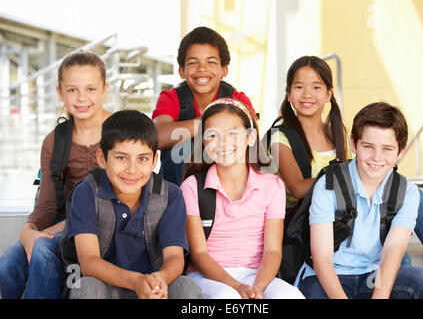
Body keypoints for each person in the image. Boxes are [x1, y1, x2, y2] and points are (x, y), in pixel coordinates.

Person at [269, 55, 423, 285]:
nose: (307, 94)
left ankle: (397, 270)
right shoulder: (280, 136)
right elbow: (298, 186)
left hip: (345, 209)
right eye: (299, 87)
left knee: (404, 198)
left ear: (329, 94)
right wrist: (337, 178)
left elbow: (358, 176)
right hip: (307, 217)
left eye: (316, 87)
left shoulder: (336, 131)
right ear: (288, 94)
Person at [299, 102, 423, 299]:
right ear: (354, 143)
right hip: (332, 276)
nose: (377, 157)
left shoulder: (408, 193)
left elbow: (393, 252)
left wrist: (380, 295)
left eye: (387, 149)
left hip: (376, 275)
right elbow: (322, 259)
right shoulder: (329, 185)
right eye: (368, 146)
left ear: (400, 151)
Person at [0, 50, 111, 299]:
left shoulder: (120, 132)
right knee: (8, 264)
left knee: (41, 249)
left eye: (91, 89)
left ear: (105, 89)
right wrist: (28, 229)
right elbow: (47, 205)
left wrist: (46, 234)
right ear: (60, 92)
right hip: (61, 227)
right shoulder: (55, 140)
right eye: (72, 90)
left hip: (103, 226)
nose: (82, 98)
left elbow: (115, 201)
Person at [65, 109, 202, 299]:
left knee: (186, 287)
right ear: (102, 158)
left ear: (155, 161)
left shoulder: (170, 195)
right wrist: (136, 281)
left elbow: (174, 257)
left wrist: (160, 279)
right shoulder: (87, 192)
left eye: (143, 159)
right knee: (86, 286)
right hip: (108, 287)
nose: (132, 169)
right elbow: (89, 262)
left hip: (152, 286)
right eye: (121, 158)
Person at [180, 98, 304, 299]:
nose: (223, 143)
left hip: (257, 275)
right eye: (212, 135)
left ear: (251, 137)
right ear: (203, 142)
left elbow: (273, 250)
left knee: (291, 296)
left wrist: (258, 287)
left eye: (232, 133)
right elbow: (199, 254)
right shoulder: (192, 186)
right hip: (208, 277)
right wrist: (236, 287)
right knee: (227, 298)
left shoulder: (272, 185)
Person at [152, 26, 254, 185]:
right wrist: (205, 124)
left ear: (224, 69)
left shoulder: (237, 99)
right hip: (178, 184)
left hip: (227, 176)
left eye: (211, 62)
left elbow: (252, 141)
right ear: (181, 71)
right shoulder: (171, 97)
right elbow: (157, 137)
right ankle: (179, 206)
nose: (202, 69)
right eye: (193, 63)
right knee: (182, 149)